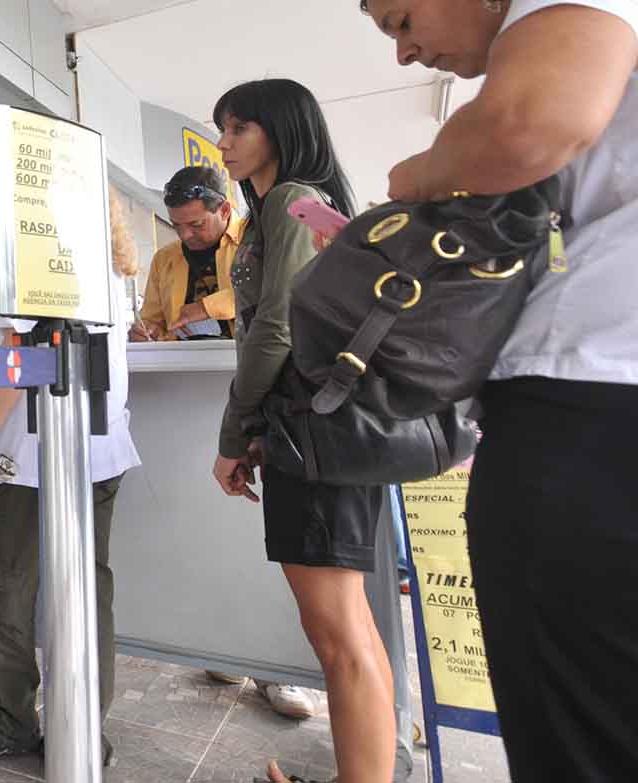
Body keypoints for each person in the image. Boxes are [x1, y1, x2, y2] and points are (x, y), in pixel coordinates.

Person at [355, 1, 638, 778]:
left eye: (403, 19)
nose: (408, 54)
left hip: (590, 411)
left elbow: (522, 124)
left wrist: (412, 178)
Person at [206, 79, 393, 783]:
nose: (224, 142)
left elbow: (274, 327)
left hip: (313, 438)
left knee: (338, 634)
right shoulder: (312, 200)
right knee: (348, 630)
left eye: (237, 128)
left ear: (280, 131)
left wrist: (233, 431)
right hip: (331, 434)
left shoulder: (288, 201)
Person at [0, 204, 142, 768]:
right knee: (85, 589)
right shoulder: (109, 266)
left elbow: (24, 358)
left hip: (32, 455)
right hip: (99, 451)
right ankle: (80, 725)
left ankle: (7, 719)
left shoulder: (43, 258)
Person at [130, 166, 242, 343]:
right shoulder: (164, 259)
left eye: (196, 225)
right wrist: (147, 331)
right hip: (183, 364)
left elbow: (271, 293)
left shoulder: (256, 239)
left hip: (250, 360)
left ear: (225, 211)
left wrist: (205, 308)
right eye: (176, 225)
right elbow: (152, 321)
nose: (185, 235)